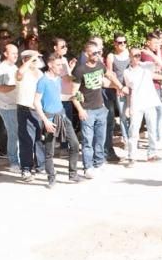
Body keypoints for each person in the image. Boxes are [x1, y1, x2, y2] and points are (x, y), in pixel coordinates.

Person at [71, 41, 127, 177]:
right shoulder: (80, 70)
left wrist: (120, 87)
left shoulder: (100, 66)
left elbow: (109, 76)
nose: (97, 55)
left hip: (100, 108)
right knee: (87, 140)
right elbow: (73, 94)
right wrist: (80, 109)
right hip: (87, 110)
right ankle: (87, 167)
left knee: (100, 138)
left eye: (99, 52)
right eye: (94, 53)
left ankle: (99, 162)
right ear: (87, 54)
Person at [34, 53, 82, 186]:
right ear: (50, 65)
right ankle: (51, 177)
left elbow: (57, 96)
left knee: (75, 144)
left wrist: (73, 96)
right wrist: (45, 121)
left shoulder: (58, 79)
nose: (61, 68)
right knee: (50, 151)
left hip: (62, 115)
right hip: (50, 118)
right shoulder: (43, 81)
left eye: (61, 65)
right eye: (58, 65)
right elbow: (36, 102)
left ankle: (73, 174)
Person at [123, 46, 162, 162]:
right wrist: (128, 106)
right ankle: (132, 156)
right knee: (133, 130)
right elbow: (129, 90)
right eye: (134, 55)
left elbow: (160, 63)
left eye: (138, 55)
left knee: (152, 128)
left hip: (149, 101)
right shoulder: (127, 72)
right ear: (130, 57)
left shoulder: (146, 66)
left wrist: (149, 53)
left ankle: (152, 153)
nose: (137, 58)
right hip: (136, 102)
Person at [15, 50, 45, 182]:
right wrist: (30, 59)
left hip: (38, 109)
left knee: (39, 138)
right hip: (25, 109)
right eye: (33, 59)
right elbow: (20, 73)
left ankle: (41, 166)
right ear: (25, 60)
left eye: (36, 59)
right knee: (27, 140)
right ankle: (26, 169)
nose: (36, 61)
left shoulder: (40, 73)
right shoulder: (21, 71)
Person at [0, 45, 20, 173]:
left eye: (17, 53)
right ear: (5, 53)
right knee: (13, 134)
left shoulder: (14, 67)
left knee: (17, 134)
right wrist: (17, 86)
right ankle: (13, 162)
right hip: (7, 107)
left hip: (15, 105)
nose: (16, 55)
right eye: (13, 53)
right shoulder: (3, 69)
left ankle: (18, 160)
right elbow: (1, 88)